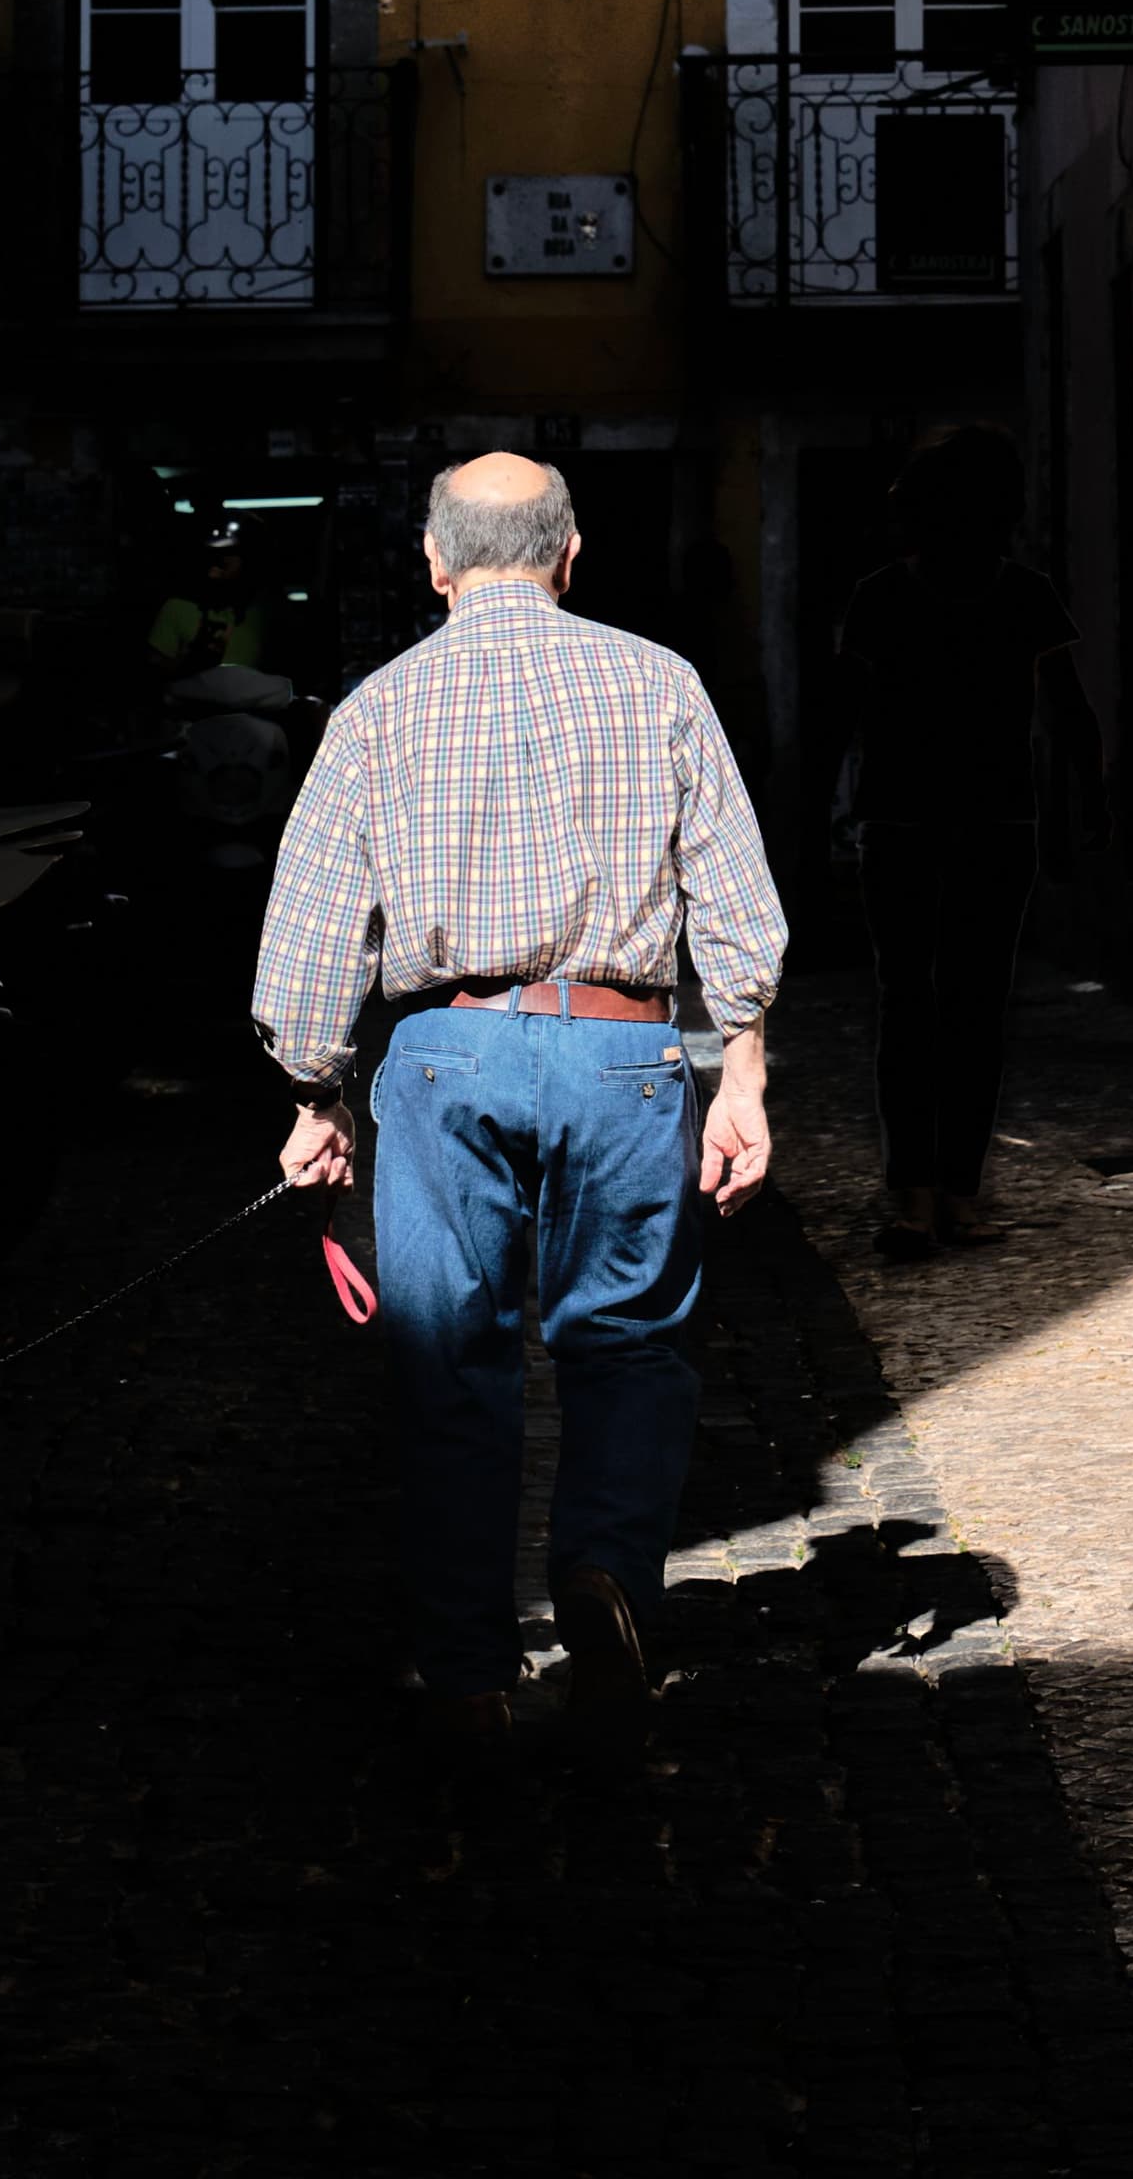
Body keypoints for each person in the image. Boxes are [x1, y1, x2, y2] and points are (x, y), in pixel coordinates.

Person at [251, 454, 787, 1764]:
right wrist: (744, 1076)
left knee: (454, 1370)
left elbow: (310, 942)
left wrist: (316, 1090)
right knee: (631, 1344)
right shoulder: (661, 686)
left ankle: (467, 1675)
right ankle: (606, 1572)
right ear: (570, 553)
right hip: (624, 1056)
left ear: (436, 566)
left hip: (449, 1057)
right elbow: (734, 913)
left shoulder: (378, 709)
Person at [840, 425, 1107, 1261]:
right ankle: (957, 1193)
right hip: (996, 826)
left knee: (908, 1007)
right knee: (974, 1013)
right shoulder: (1024, 595)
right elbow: (1077, 726)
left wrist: (822, 818)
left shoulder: (879, 597)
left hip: (903, 825)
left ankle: (916, 1197)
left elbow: (837, 722)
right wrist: (1074, 829)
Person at [149, 518, 268, 675]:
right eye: (211, 559)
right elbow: (153, 673)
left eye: (223, 562)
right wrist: (191, 662)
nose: (213, 573)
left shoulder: (265, 612)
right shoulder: (178, 607)